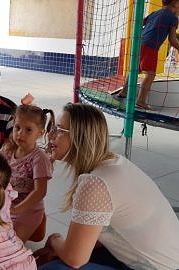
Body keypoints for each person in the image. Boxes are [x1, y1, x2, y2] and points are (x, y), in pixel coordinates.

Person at [36, 103, 179, 269]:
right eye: (52, 127)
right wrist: (65, 250)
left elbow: (75, 259)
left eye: (59, 130)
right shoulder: (114, 163)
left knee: (52, 268)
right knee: (62, 257)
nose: (50, 134)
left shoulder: (96, 183)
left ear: (81, 137)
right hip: (166, 260)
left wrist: (54, 240)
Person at [1, 104, 54, 242]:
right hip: (5, 204)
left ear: (40, 133)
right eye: (17, 127)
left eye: (28, 130)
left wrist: (16, 210)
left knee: (11, 244)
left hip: (27, 210)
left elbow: (40, 192)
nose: (20, 133)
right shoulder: (8, 150)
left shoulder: (39, 158)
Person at [118, 0, 179, 110]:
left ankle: (124, 92)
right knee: (150, 74)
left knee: (135, 69)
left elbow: (140, 23)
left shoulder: (155, 13)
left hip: (139, 42)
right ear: (176, 3)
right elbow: (172, 39)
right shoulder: (173, 18)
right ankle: (141, 101)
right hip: (151, 46)